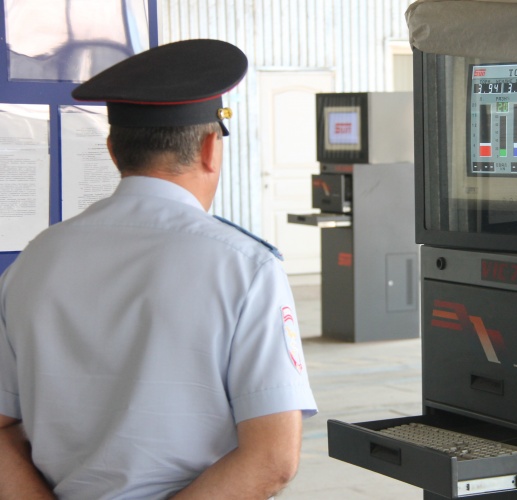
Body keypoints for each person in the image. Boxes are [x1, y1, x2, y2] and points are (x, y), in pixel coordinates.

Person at [0, 39, 317, 499]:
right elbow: (273, 460)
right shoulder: (245, 268)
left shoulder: (34, 260)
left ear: (113, 150)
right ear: (212, 147)